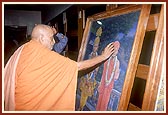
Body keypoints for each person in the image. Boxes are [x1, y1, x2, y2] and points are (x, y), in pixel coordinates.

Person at [4, 24, 115, 111]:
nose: (53, 42)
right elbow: (77, 66)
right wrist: (103, 56)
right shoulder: (43, 54)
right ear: (42, 38)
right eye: (51, 38)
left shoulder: (22, 49)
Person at [78, 27, 102, 111]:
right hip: (86, 76)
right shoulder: (89, 54)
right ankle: (80, 107)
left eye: (96, 46)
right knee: (82, 93)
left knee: (86, 94)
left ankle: (82, 107)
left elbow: (97, 69)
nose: (94, 48)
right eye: (94, 46)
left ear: (98, 47)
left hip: (91, 78)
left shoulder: (99, 57)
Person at [96, 41, 120, 111]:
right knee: (99, 100)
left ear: (117, 52)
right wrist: (101, 83)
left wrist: (115, 74)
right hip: (103, 82)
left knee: (104, 103)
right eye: (113, 50)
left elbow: (116, 76)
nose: (114, 52)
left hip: (109, 85)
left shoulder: (117, 62)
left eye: (115, 50)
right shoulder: (107, 59)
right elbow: (103, 72)